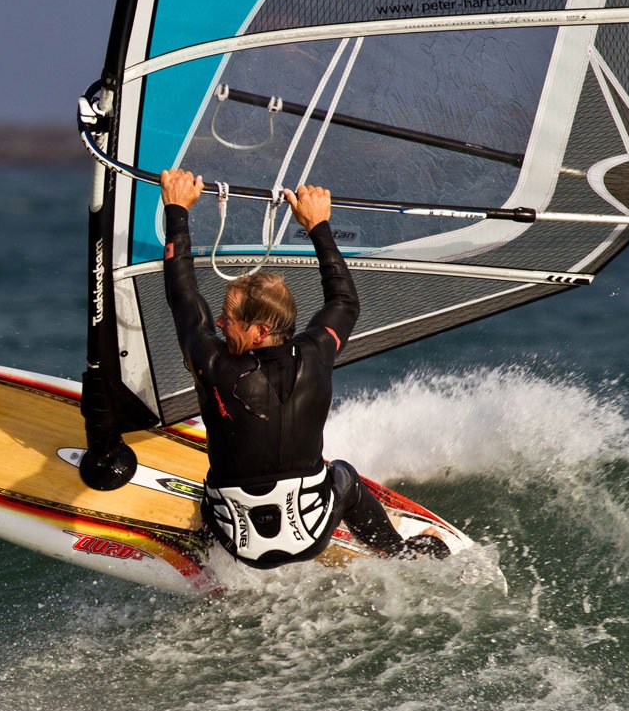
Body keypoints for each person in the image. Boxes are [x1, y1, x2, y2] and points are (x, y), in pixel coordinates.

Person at [159, 168, 447, 568]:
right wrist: (318, 225)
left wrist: (177, 212)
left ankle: (203, 557)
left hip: (236, 541)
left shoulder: (213, 364)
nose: (220, 325)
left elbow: (182, 295)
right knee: (344, 475)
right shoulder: (317, 354)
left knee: (210, 493)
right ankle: (400, 553)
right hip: (309, 534)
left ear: (258, 332)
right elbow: (345, 303)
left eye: (229, 319)